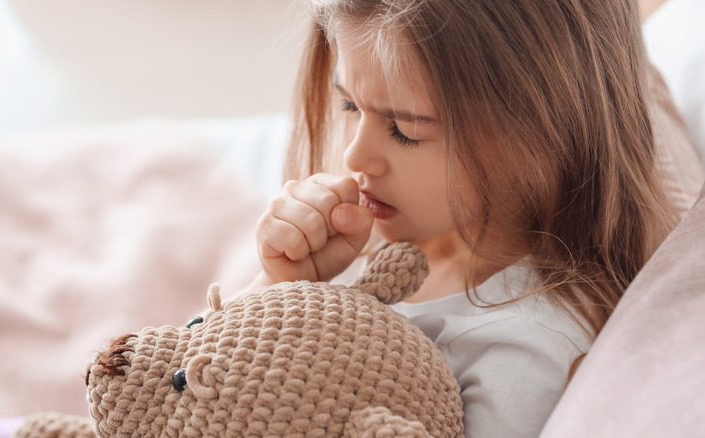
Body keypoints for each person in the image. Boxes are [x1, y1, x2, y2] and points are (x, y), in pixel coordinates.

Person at [249, 0, 679, 436]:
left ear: (540, 135)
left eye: (405, 130)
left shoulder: (525, 348)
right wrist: (277, 285)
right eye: (350, 106)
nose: (354, 156)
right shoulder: (363, 241)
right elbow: (193, 382)